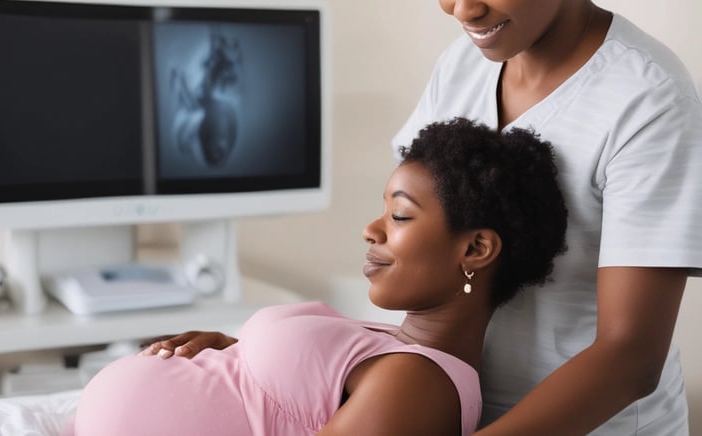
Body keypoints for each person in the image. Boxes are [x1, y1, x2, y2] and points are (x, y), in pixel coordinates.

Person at [145, 1, 702, 434]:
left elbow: (630, 355)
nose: (464, 11)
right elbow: (434, 278)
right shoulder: (464, 65)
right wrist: (265, 368)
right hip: (447, 409)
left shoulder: (646, 100)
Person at [68, 118, 568, 436]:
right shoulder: (399, 350)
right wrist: (233, 352)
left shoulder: (422, 386)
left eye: (400, 216)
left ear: (476, 249)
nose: (371, 230)